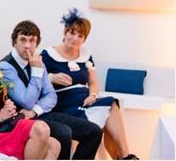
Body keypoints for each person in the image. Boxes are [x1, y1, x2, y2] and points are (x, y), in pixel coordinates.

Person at [0, 20, 103, 160]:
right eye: (22, 40)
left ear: (37, 43)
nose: (27, 45)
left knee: (93, 131)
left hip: (37, 113)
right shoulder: (6, 67)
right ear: (14, 42)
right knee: (64, 133)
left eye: (32, 41)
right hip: (18, 119)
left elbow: (51, 95)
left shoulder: (37, 61)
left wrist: (35, 110)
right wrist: (36, 70)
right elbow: (26, 101)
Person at [42, 8, 138, 160]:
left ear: (84, 39)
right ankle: (120, 156)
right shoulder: (48, 55)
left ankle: (125, 155)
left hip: (85, 100)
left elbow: (93, 82)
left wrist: (93, 94)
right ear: (65, 32)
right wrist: (51, 77)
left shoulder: (86, 55)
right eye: (72, 33)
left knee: (112, 103)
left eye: (80, 36)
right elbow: (35, 81)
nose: (75, 38)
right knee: (105, 114)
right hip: (63, 104)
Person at [0, 30, 60, 159]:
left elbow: (51, 95)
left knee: (54, 144)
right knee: (41, 129)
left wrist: (8, 108)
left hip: (3, 127)